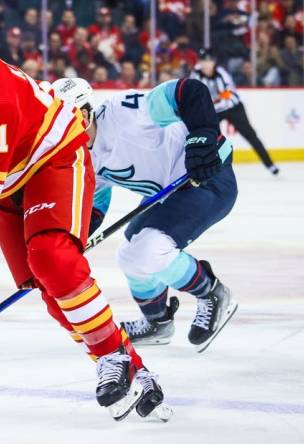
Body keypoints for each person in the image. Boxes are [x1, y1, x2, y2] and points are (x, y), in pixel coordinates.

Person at [0, 1, 168, 420]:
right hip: (5, 175)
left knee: (52, 259)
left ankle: (111, 356)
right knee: (42, 282)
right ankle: (131, 366)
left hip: (52, 161)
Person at [50, 77, 239, 352]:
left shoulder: (123, 112)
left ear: (87, 110)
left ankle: (212, 293)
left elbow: (190, 90)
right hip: (168, 192)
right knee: (129, 255)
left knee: (150, 250)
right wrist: (70, 242)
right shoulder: (81, 157)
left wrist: (203, 137)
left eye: (71, 118)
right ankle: (158, 321)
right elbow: (93, 206)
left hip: (206, 177)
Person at [191, 49, 279, 175]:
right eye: (202, 61)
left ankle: (270, 165)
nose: (204, 64)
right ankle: (203, 166)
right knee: (204, 136)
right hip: (215, 109)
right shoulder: (196, 74)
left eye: (207, 61)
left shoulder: (222, 74)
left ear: (213, 62)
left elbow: (228, 97)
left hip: (234, 108)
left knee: (250, 135)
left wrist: (209, 105)